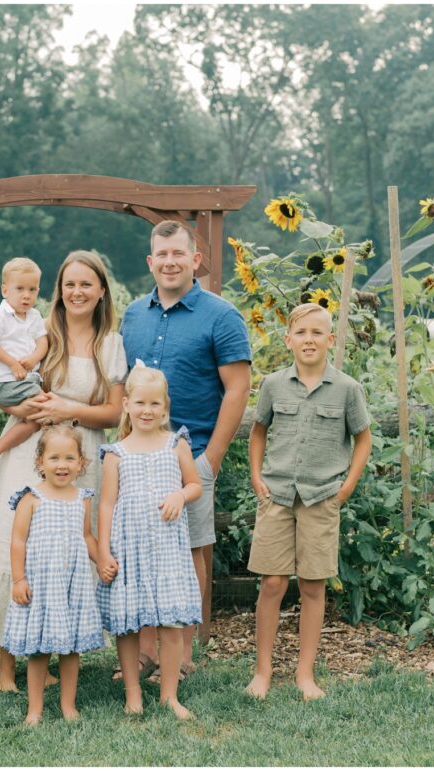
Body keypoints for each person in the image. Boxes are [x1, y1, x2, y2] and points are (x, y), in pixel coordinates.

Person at [0, 250, 127, 692]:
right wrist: (21, 415)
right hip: (32, 454)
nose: (77, 292)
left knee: (63, 555)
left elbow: (114, 414)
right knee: (12, 546)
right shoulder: (41, 333)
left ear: (101, 291)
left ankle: (52, 652)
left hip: (82, 457)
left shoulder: (109, 341)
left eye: (86, 284)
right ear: (59, 291)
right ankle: (5, 668)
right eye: (69, 284)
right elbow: (0, 384)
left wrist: (69, 408)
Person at [120, 220, 251, 681]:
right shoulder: (134, 314)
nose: (170, 262)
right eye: (162, 254)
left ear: (195, 260)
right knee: (141, 550)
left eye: (180, 254)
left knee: (191, 552)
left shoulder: (221, 315)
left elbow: (237, 389)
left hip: (190, 454)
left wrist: (209, 459)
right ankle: (148, 653)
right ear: (150, 262)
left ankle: (185, 655)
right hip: (138, 458)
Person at [244, 303, 372, 701]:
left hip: (321, 496)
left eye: (317, 333)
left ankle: (305, 674)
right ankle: (262, 672)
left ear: (330, 340)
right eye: (301, 333)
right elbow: (258, 431)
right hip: (277, 494)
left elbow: (363, 438)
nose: (309, 340)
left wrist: (346, 485)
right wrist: (256, 476)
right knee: (272, 583)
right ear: (289, 340)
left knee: (314, 586)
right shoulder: (273, 385)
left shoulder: (347, 389)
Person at [97, 364, 202, 720]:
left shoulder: (176, 444)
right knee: (128, 624)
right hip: (129, 550)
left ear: (165, 407)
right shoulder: (115, 453)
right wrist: (103, 551)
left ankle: (169, 696)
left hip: (167, 549)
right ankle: (133, 693)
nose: (147, 410)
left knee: (171, 623)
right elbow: (107, 504)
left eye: (155, 404)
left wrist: (180, 495)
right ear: (125, 404)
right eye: (140, 402)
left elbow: (195, 484)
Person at [1, 426, 110, 725]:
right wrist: (19, 579)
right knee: (39, 650)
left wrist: (102, 558)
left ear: (80, 463)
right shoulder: (31, 498)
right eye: (54, 458)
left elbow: (86, 536)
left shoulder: (82, 498)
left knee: (71, 648)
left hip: (73, 585)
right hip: (42, 585)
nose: (62, 465)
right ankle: (34, 708)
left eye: (69, 458)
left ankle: (68, 705)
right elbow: (18, 541)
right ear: (41, 462)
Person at [0, 257, 48, 472]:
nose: (26, 295)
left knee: (36, 419)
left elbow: (42, 342)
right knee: (45, 405)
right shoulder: (1, 314)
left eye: (32, 290)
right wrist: (12, 364)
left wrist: (35, 358)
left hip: (23, 381)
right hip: (5, 381)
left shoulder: (34, 316)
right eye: (20, 289)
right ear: (5, 290)